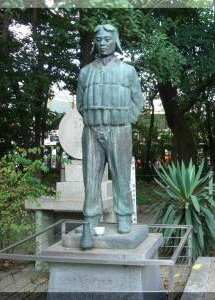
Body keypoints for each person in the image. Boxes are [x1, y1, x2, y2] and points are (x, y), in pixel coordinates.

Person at [76, 24, 144, 234]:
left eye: (107, 39)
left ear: (115, 42)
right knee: (91, 177)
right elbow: (80, 103)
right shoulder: (85, 72)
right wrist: (93, 119)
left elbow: (137, 101)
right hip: (92, 130)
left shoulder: (128, 71)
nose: (102, 43)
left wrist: (125, 120)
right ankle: (91, 218)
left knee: (121, 175)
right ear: (94, 43)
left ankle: (123, 216)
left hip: (120, 129)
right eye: (99, 40)